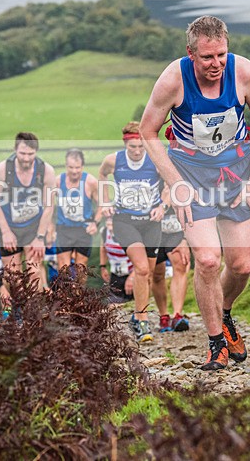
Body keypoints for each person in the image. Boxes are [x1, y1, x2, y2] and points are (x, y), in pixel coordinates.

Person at [139, 15, 250, 370]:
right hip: (191, 175)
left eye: (221, 56)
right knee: (209, 260)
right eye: (206, 58)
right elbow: (147, 131)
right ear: (191, 53)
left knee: (242, 265)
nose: (215, 64)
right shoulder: (173, 80)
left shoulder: (244, 73)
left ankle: (224, 312)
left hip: (237, 173)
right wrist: (175, 183)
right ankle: (216, 344)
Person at [99, 121, 167, 343]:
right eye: (133, 147)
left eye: (141, 147)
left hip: (151, 222)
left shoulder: (155, 160)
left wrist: (162, 206)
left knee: (145, 272)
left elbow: (170, 185)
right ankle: (143, 319)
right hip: (125, 221)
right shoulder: (113, 160)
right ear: (125, 144)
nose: (137, 152)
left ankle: (137, 316)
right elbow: (102, 177)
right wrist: (104, 202)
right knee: (140, 267)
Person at [0, 132, 56, 292]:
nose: (26, 158)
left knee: (34, 272)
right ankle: (18, 314)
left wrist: (40, 237)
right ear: (15, 150)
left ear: (36, 152)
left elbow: (49, 206)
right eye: (22, 153)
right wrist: (5, 231)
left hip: (34, 227)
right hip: (10, 226)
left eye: (30, 154)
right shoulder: (3, 169)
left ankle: (37, 313)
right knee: (13, 278)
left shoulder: (46, 171)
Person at [52, 148, 99, 271]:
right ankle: (66, 290)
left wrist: (95, 223)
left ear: (82, 166)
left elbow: (102, 204)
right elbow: (48, 206)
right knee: (63, 267)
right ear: (66, 166)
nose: (74, 171)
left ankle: (79, 290)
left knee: (81, 268)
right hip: (64, 228)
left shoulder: (90, 182)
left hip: (84, 229)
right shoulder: (57, 181)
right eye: (71, 167)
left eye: (77, 168)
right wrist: (50, 227)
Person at [151, 205, 191, 332]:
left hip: (176, 228)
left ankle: (177, 315)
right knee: (157, 274)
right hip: (152, 228)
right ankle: (164, 316)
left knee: (180, 265)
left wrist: (185, 238)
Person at [99, 216, 135, 305]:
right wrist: (103, 266)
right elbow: (103, 248)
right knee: (114, 305)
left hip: (132, 274)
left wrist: (132, 277)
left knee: (131, 304)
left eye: (112, 219)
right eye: (107, 219)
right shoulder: (104, 232)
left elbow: (141, 258)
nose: (109, 222)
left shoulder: (128, 234)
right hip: (116, 274)